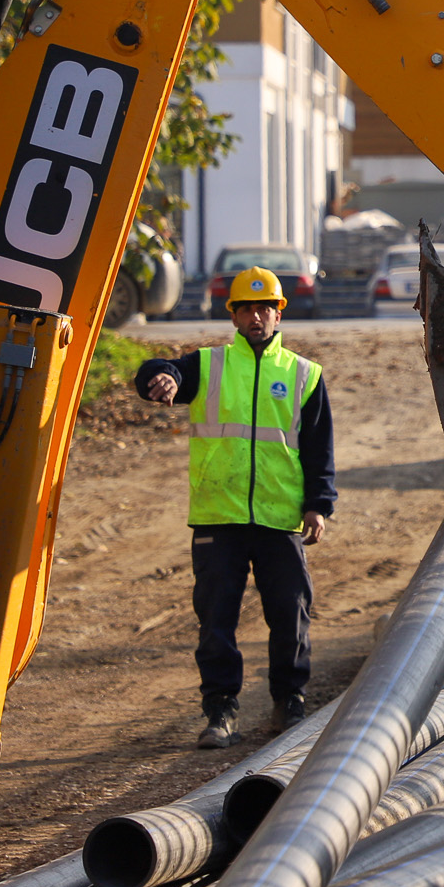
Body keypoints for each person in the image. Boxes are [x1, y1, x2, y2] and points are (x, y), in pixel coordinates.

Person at [135, 266, 335, 747]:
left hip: (279, 517)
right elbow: (162, 372)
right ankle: (220, 711)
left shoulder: (304, 375)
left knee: (290, 613)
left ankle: (290, 701)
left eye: (266, 307)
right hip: (218, 517)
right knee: (216, 621)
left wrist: (318, 505)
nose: (257, 315)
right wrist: (158, 377)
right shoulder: (209, 365)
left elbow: (318, 447)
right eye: (247, 307)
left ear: (279, 313)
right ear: (234, 315)